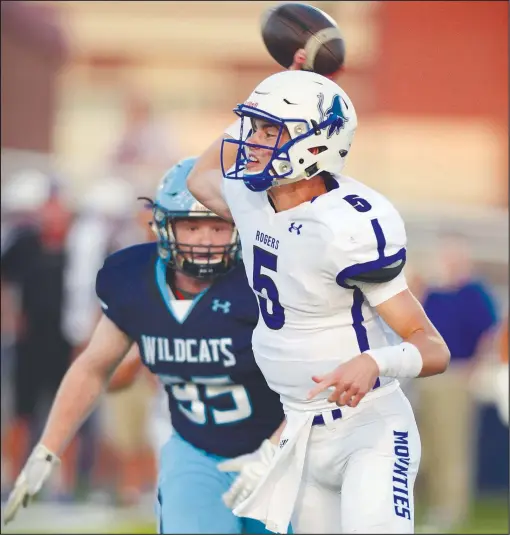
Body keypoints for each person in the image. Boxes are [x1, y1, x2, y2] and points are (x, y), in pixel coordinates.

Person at [186, 70, 451, 534]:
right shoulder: (251, 199)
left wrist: (375, 359)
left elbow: (432, 347)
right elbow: (199, 177)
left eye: (270, 131)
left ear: (315, 144)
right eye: (253, 127)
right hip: (301, 432)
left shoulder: (345, 226)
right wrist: (281, 86)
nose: (251, 142)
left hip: (367, 430)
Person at [3, 158, 286, 535]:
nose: (204, 239)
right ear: (164, 226)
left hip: (281, 447)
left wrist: (277, 449)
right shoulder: (134, 279)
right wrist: (47, 448)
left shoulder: (266, 284)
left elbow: (315, 382)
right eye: (191, 224)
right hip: (196, 448)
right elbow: (94, 367)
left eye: (218, 225)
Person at [417, 234, 499, 532]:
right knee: (427, 447)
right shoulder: (433, 293)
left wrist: (475, 368)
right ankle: (430, 504)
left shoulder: (474, 293)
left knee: (452, 447)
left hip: (456, 376)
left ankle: (450, 509)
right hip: (427, 376)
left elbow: (489, 334)